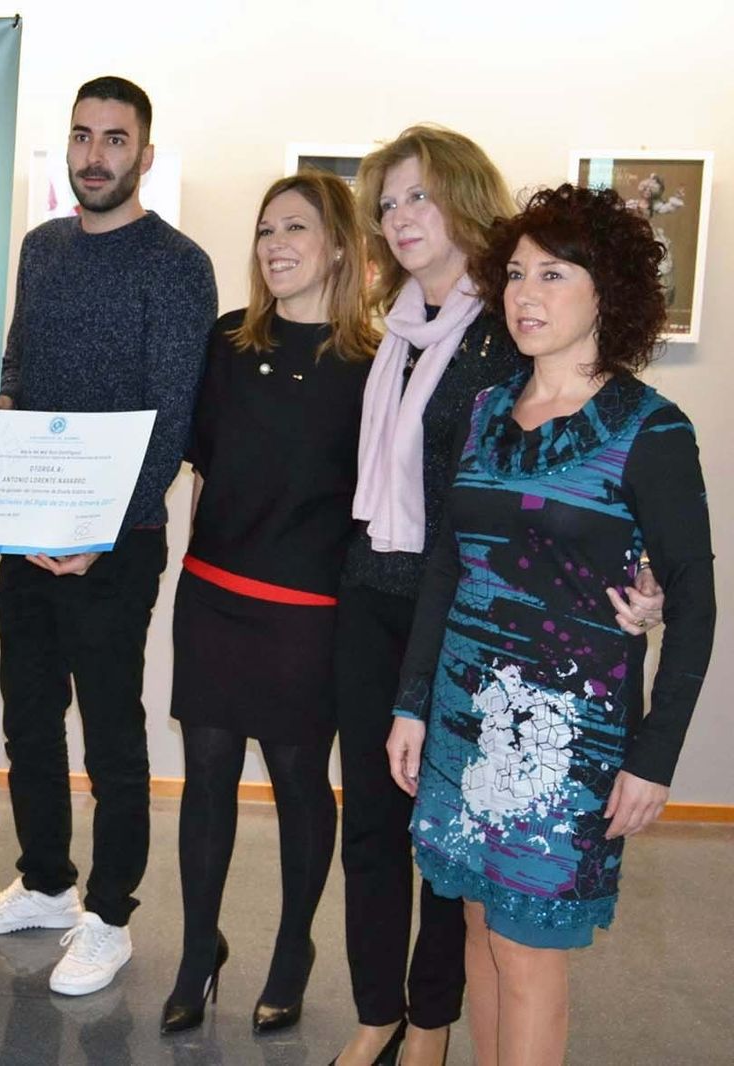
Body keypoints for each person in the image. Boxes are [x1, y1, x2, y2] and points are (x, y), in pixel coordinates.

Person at [332, 127, 662, 1066]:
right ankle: (377, 1016)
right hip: (385, 596)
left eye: (419, 197)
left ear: (466, 202)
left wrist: (643, 593)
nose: (400, 217)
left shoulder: (506, 334)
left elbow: (575, 487)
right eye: (387, 203)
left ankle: (430, 1026)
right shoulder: (387, 329)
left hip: (497, 644)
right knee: (384, 833)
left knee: (472, 877)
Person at [386, 183, 715, 1066]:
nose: (527, 296)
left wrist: (654, 754)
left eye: (554, 275)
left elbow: (696, 602)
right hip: (463, 714)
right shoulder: (488, 411)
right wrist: (414, 702)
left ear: (608, 290)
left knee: (530, 955)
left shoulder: (650, 429)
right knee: (483, 932)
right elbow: (448, 567)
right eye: (517, 275)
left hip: (564, 741)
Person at [0, 75, 216, 997]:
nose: (95, 155)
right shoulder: (41, 250)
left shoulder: (178, 265)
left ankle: (109, 915)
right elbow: (24, 371)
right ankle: (44, 883)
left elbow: (174, 420)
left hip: (120, 542)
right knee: (29, 718)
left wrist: (104, 538)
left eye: (116, 140)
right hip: (28, 529)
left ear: (144, 155)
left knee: (112, 732)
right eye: (82, 137)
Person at [160, 171, 378, 1035]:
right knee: (206, 776)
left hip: (310, 609)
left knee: (296, 779)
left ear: (337, 247)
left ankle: (293, 949)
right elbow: (193, 451)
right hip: (213, 592)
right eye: (264, 230)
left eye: (296, 228)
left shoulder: (372, 363)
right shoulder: (224, 342)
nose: (275, 244)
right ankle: (195, 951)